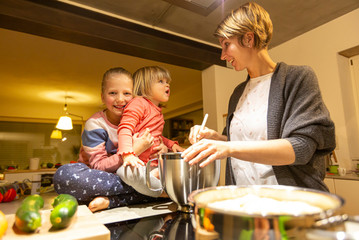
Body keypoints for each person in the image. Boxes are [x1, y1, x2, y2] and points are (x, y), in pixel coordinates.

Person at [181, 2, 335, 192]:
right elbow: (241, 141)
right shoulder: (238, 93)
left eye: (227, 45)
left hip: (290, 202)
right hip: (247, 202)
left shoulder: (298, 78)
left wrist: (227, 148)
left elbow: (301, 148)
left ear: (248, 39)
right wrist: (217, 138)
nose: (222, 55)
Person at [54, 67, 169, 212]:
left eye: (127, 93)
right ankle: (150, 190)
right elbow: (98, 166)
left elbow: (156, 137)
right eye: (113, 93)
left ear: (135, 96)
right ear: (102, 97)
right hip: (101, 178)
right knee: (65, 175)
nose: (120, 99)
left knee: (168, 173)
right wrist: (134, 150)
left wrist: (163, 147)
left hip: (132, 175)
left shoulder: (137, 117)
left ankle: (117, 199)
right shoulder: (94, 124)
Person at [116, 66, 184, 197]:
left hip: (154, 165)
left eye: (167, 81)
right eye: (161, 81)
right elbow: (124, 128)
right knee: (126, 172)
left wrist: (171, 145)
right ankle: (163, 191)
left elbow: (157, 136)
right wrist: (128, 155)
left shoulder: (158, 112)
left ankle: (154, 182)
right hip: (138, 164)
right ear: (145, 86)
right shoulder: (138, 103)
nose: (167, 85)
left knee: (182, 167)